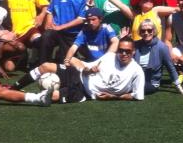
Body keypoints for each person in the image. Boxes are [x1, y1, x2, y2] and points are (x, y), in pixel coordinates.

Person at [15, 37, 145, 102]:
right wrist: (89, 70)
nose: (123, 54)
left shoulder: (137, 72)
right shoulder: (110, 57)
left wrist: (114, 96)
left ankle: (13, 97)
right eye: (121, 50)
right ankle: (14, 87)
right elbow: (88, 68)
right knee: (45, 66)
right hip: (77, 75)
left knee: (51, 95)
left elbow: (137, 96)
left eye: (127, 51)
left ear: (133, 52)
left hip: (82, 91)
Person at [36, 0, 88, 64]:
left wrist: (61, 27)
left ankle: (61, 58)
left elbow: (81, 19)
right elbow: (50, 10)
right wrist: (49, 21)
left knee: (63, 63)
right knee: (46, 36)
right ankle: (42, 66)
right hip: (57, 31)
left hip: (73, 34)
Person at [133, 19, 183, 95]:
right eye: (143, 31)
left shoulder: (162, 47)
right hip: (135, 78)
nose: (146, 33)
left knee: (132, 87)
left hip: (151, 82)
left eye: (149, 30)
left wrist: (181, 90)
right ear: (140, 32)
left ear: (154, 31)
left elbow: (170, 68)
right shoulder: (135, 45)